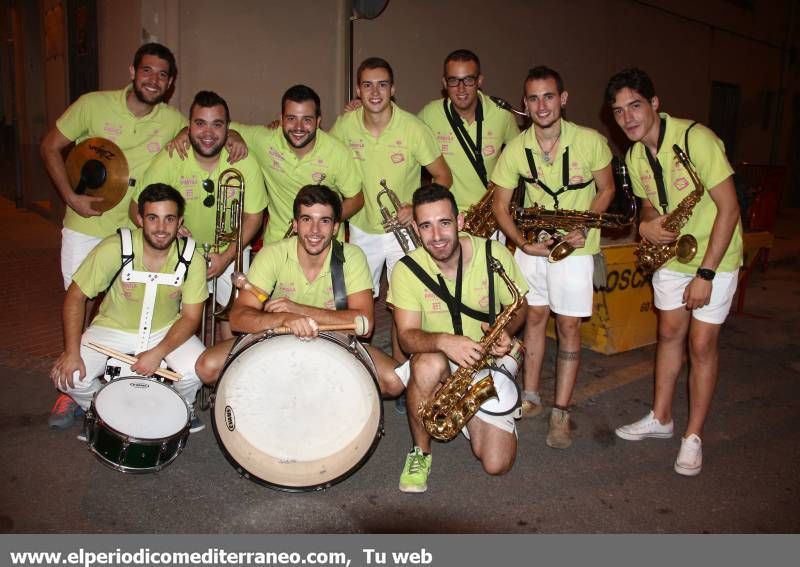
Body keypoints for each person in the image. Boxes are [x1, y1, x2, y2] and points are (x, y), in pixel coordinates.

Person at [41, 43, 186, 429]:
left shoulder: (173, 120)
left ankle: (121, 380)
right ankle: (71, 387)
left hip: (137, 229)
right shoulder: (92, 105)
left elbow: (205, 134)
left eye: (162, 75)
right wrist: (69, 196)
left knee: (128, 305)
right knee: (81, 300)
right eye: (147, 71)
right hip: (86, 226)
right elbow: (50, 146)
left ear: (170, 83)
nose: (153, 80)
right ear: (132, 70)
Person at [605, 68, 742, 476]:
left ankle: (693, 436)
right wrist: (646, 226)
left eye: (635, 105)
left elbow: (730, 208)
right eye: (618, 111)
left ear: (654, 104)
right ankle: (661, 418)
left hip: (714, 256)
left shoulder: (695, 139)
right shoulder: (632, 154)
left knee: (701, 346)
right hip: (671, 258)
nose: (627, 118)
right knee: (667, 335)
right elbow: (649, 207)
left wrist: (707, 273)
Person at [491, 66, 615, 449]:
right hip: (533, 246)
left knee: (568, 327)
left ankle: (561, 411)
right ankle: (530, 398)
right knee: (533, 318)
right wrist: (520, 244)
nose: (541, 105)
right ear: (525, 104)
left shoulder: (590, 141)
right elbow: (500, 204)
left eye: (548, 96)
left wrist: (586, 228)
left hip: (575, 249)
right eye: (533, 98)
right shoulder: (516, 148)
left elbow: (606, 188)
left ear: (563, 98)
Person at [195, 185, 404, 397]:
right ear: (295, 225)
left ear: (335, 228)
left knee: (393, 380)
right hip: (278, 339)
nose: (314, 230)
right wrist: (285, 319)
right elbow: (238, 319)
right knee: (207, 366)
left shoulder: (352, 256)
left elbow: (365, 324)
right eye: (306, 219)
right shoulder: (272, 254)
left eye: (324, 221)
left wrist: (298, 310)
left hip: (334, 340)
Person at [388, 184, 528, 493]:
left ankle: (465, 409)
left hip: (485, 364)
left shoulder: (493, 253)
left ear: (460, 222)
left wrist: (508, 331)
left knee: (496, 464)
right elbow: (408, 338)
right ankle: (420, 453)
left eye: (444, 223)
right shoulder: (407, 269)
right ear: (415, 228)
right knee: (426, 363)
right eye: (426, 226)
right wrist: (443, 341)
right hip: (438, 359)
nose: (436, 236)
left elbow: (519, 306)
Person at [49, 184, 208, 435]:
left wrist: (158, 353)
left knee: (196, 369)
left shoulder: (192, 258)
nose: (160, 228)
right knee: (69, 377)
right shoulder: (114, 247)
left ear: (180, 222)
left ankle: (180, 409)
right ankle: (103, 412)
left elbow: (190, 317)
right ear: (140, 219)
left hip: (165, 329)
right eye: (152, 218)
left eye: (169, 219)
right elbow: (75, 297)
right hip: (111, 328)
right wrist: (71, 352)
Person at [133, 91, 267, 336]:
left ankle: (227, 366)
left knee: (235, 317)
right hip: (180, 247)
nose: (208, 133)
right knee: (175, 317)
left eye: (217, 125)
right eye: (200, 123)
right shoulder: (172, 156)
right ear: (189, 126)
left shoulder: (243, 161)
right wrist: (169, 232)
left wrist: (226, 257)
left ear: (228, 128)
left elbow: (254, 217)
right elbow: (136, 209)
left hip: (231, 249)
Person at [330, 57, 452, 295]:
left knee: (405, 301)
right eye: (368, 85)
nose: (375, 92)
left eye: (382, 84)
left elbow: (443, 177)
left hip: (404, 230)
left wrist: (416, 208)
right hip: (361, 229)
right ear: (358, 90)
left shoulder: (413, 128)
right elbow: (320, 154)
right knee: (355, 298)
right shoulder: (345, 126)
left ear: (393, 89)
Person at [222, 84, 364, 244]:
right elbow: (221, 126)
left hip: (324, 245)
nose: (298, 127)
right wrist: (233, 135)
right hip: (278, 244)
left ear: (318, 121)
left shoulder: (337, 152)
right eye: (291, 118)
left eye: (307, 120)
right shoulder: (266, 140)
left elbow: (356, 199)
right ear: (281, 119)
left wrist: (325, 221)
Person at [417, 49, 519, 215]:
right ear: (444, 83)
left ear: (479, 81)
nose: (461, 89)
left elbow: (520, 158)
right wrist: (364, 109)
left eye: (468, 80)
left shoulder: (502, 114)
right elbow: (400, 130)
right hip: (446, 214)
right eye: (454, 80)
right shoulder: (429, 114)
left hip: (491, 216)